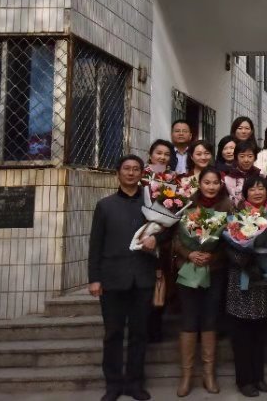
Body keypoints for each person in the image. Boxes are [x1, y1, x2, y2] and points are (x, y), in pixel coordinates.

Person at [88, 155, 156, 401]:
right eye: (126, 169)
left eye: (136, 169)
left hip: (142, 278)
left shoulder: (151, 206)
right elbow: (95, 244)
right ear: (118, 173)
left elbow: (165, 232)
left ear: (142, 174)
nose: (131, 173)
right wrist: (94, 279)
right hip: (112, 279)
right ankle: (113, 384)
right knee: (113, 334)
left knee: (139, 333)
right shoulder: (105, 206)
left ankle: (135, 383)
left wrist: (156, 239)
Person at [173, 166, 232, 396]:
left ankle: (209, 374)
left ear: (221, 184)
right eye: (207, 182)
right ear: (200, 184)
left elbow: (231, 240)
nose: (211, 186)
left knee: (209, 319)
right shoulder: (186, 204)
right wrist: (190, 254)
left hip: (214, 270)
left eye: (215, 182)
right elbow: (175, 238)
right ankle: (186, 375)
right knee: (188, 319)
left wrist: (212, 256)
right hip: (187, 269)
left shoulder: (227, 206)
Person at [225, 177, 267, 397]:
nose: (257, 192)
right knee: (242, 334)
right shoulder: (236, 215)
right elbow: (229, 246)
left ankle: (259, 377)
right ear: (245, 193)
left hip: (265, 279)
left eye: (261, 188)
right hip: (243, 279)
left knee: (261, 332)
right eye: (253, 188)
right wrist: (247, 262)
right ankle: (244, 380)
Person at [143, 139, 178, 345]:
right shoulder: (141, 176)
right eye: (159, 153)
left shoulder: (173, 180)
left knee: (161, 284)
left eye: (166, 154)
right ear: (151, 155)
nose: (162, 157)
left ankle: (155, 329)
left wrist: (160, 232)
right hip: (141, 236)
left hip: (163, 239)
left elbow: (176, 209)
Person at [224, 140, 262, 206]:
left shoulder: (260, 175)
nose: (246, 160)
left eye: (250, 156)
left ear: (255, 158)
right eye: (242, 156)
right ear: (236, 157)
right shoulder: (228, 178)